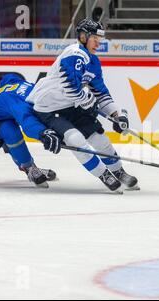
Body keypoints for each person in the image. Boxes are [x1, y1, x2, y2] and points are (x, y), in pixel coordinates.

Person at [26, 18, 138, 193]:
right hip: (50, 108)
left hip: (72, 106)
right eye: (95, 39)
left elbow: (101, 92)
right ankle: (104, 174)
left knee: (100, 138)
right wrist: (89, 102)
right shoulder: (74, 53)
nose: (98, 44)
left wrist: (117, 115)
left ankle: (118, 171)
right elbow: (71, 87)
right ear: (83, 36)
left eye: (100, 40)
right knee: (75, 139)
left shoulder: (93, 62)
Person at [0, 74, 62, 188]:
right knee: (9, 129)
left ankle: (29, 166)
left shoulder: (25, 86)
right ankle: (29, 168)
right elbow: (28, 124)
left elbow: (9, 78)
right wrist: (43, 133)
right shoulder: (20, 104)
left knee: (9, 126)